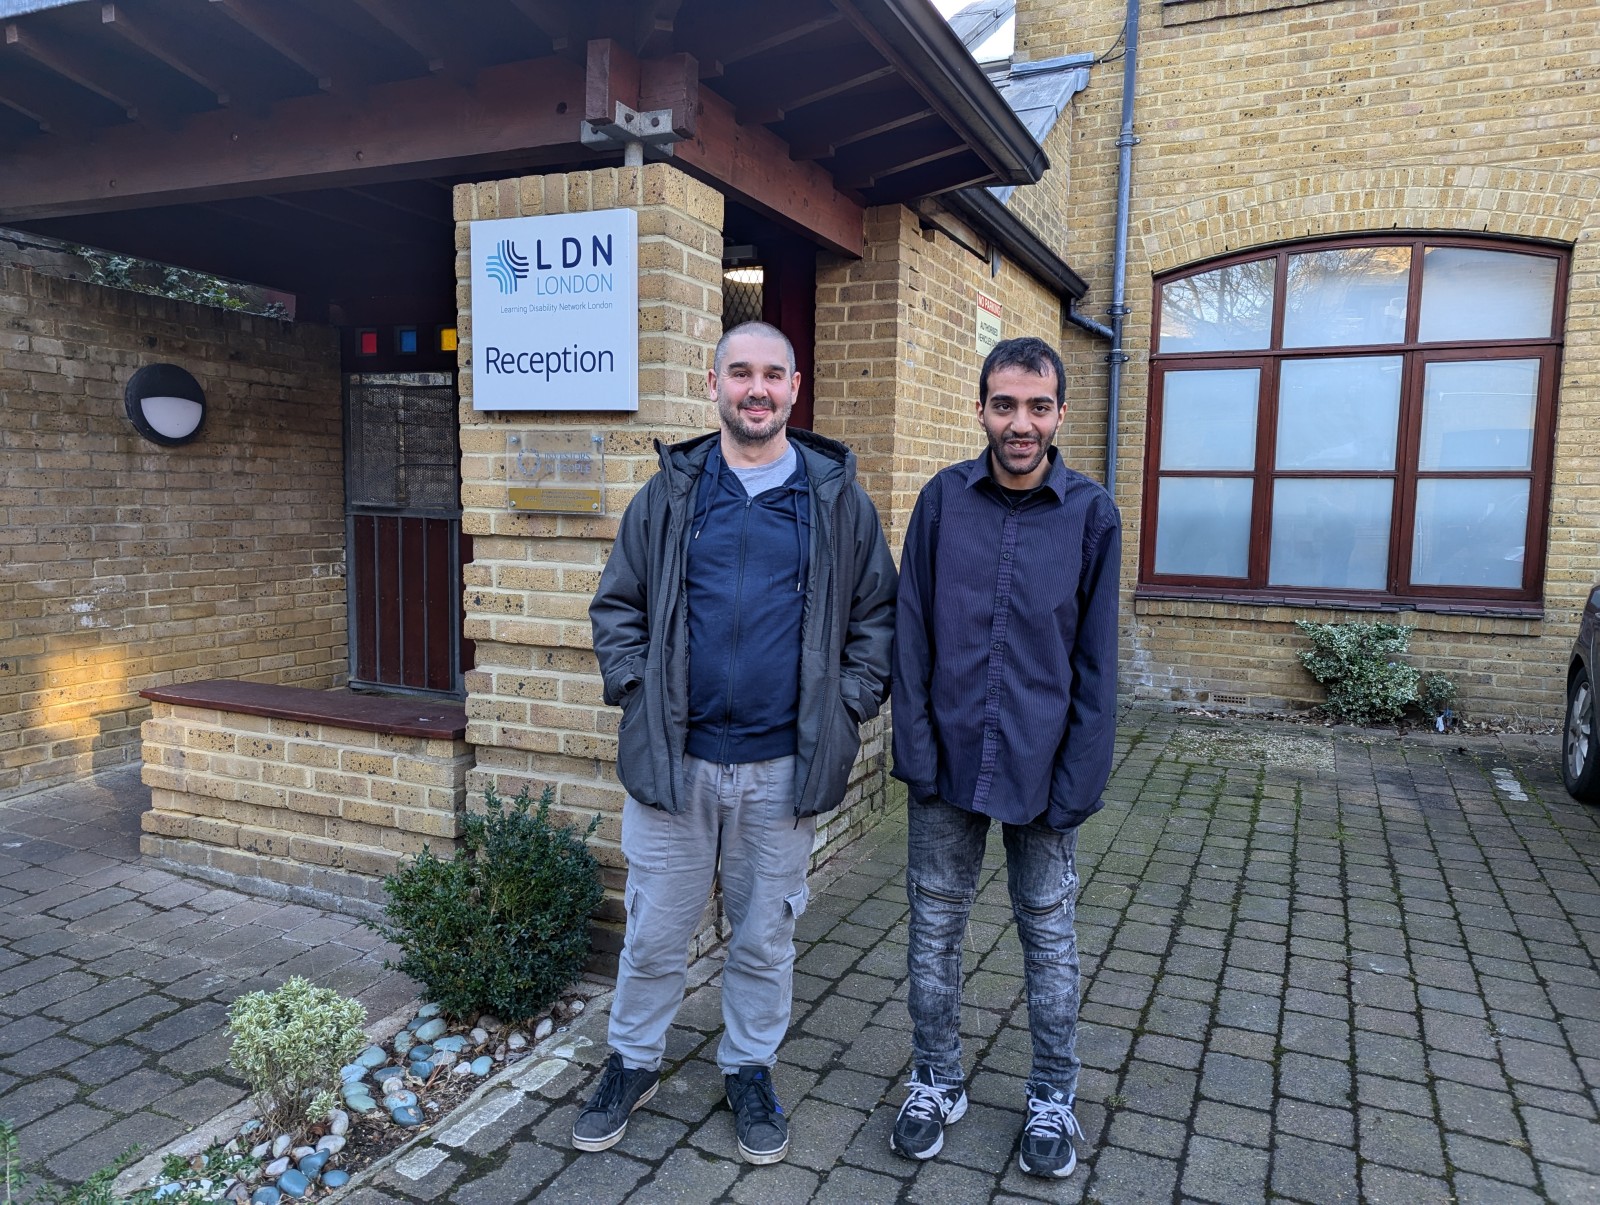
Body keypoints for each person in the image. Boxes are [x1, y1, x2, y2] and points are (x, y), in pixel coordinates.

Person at [579, 320, 897, 1165]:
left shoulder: (836, 501)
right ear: (712, 384)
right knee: (654, 931)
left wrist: (847, 706)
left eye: (772, 375)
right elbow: (617, 606)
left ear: (795, 388)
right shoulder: (671, 496)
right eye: (741, 373)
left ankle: (749, 1065)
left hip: (781, 765)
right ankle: (632, 1060)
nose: (757, 389)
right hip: (674, 762)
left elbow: (876, 618)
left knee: (763, 935)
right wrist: (637, 693)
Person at [887, 335, 1120, 1179]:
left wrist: (1079, 781)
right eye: (1005, 405)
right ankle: (936, 1079)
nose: (1021, 423)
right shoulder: (940, 503)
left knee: (1048, 935)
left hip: (1043, 764)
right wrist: (915, 753)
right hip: (946, 759)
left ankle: (1053, 1093)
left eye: (1038, 406)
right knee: (934, 930)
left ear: (1061, 413)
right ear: (981, 407)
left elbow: (1097, 663)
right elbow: (911, 634)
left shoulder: (1092, 516)